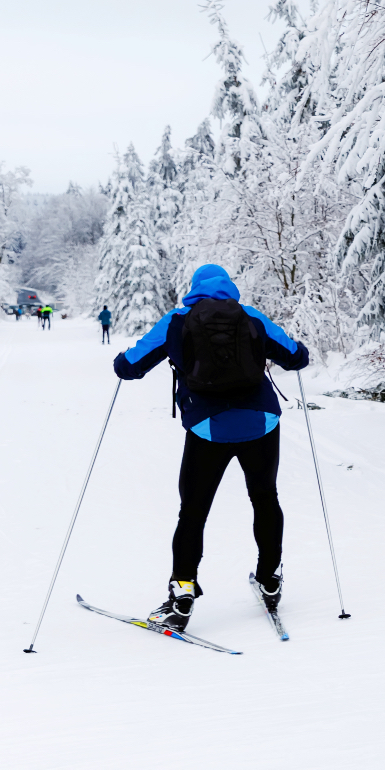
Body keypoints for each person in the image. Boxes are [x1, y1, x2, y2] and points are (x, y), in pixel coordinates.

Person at [112, 264, 311, 631]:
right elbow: (297, 358)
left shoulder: (176, 319)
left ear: (193, 289)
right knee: (265, 498)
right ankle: (269, 579)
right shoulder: (251, 316)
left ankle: (182, 595)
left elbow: (131, 367)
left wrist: (121, 362)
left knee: (193, 512)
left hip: (207, 428)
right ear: (230, 288)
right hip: (261, 423)